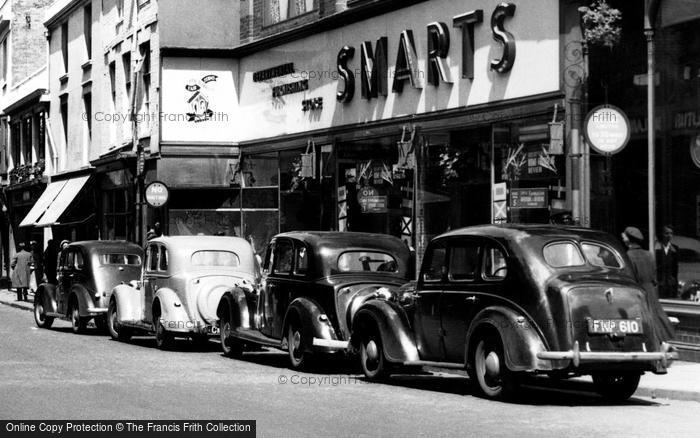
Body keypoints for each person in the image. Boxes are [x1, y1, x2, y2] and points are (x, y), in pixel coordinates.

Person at [621, 226, 675, 343]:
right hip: (650, 290)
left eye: (624, 235)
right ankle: (661, 343)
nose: (623, 237)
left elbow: (629, 278)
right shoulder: (649, 255)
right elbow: (654, 277)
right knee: (654, 317)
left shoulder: (628, 256)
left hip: (638, 291)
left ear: (628, 239)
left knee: (642, 319)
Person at [655, 225, 679, 299]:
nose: (669, 235)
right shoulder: (657, 248)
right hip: (660, 282)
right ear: (662, 234)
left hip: (671, 283)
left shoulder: (675, 249)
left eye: (671, 233)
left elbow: (676, 267)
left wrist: (674, 281)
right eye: (667, 233)